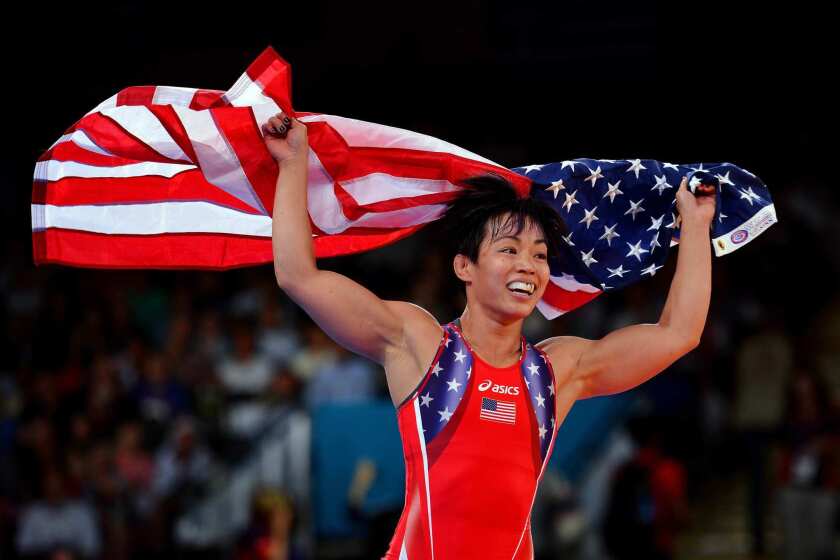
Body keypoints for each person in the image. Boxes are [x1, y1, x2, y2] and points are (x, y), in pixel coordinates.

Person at [263, 112, 715, 559]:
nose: (528, 265)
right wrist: (293, 163)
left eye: (539, 255)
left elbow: (679, 332)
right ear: (465, 267)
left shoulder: (556, 370)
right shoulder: (421, 345)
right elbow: (299, 276)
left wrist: (694, 225)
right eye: (509, 250)